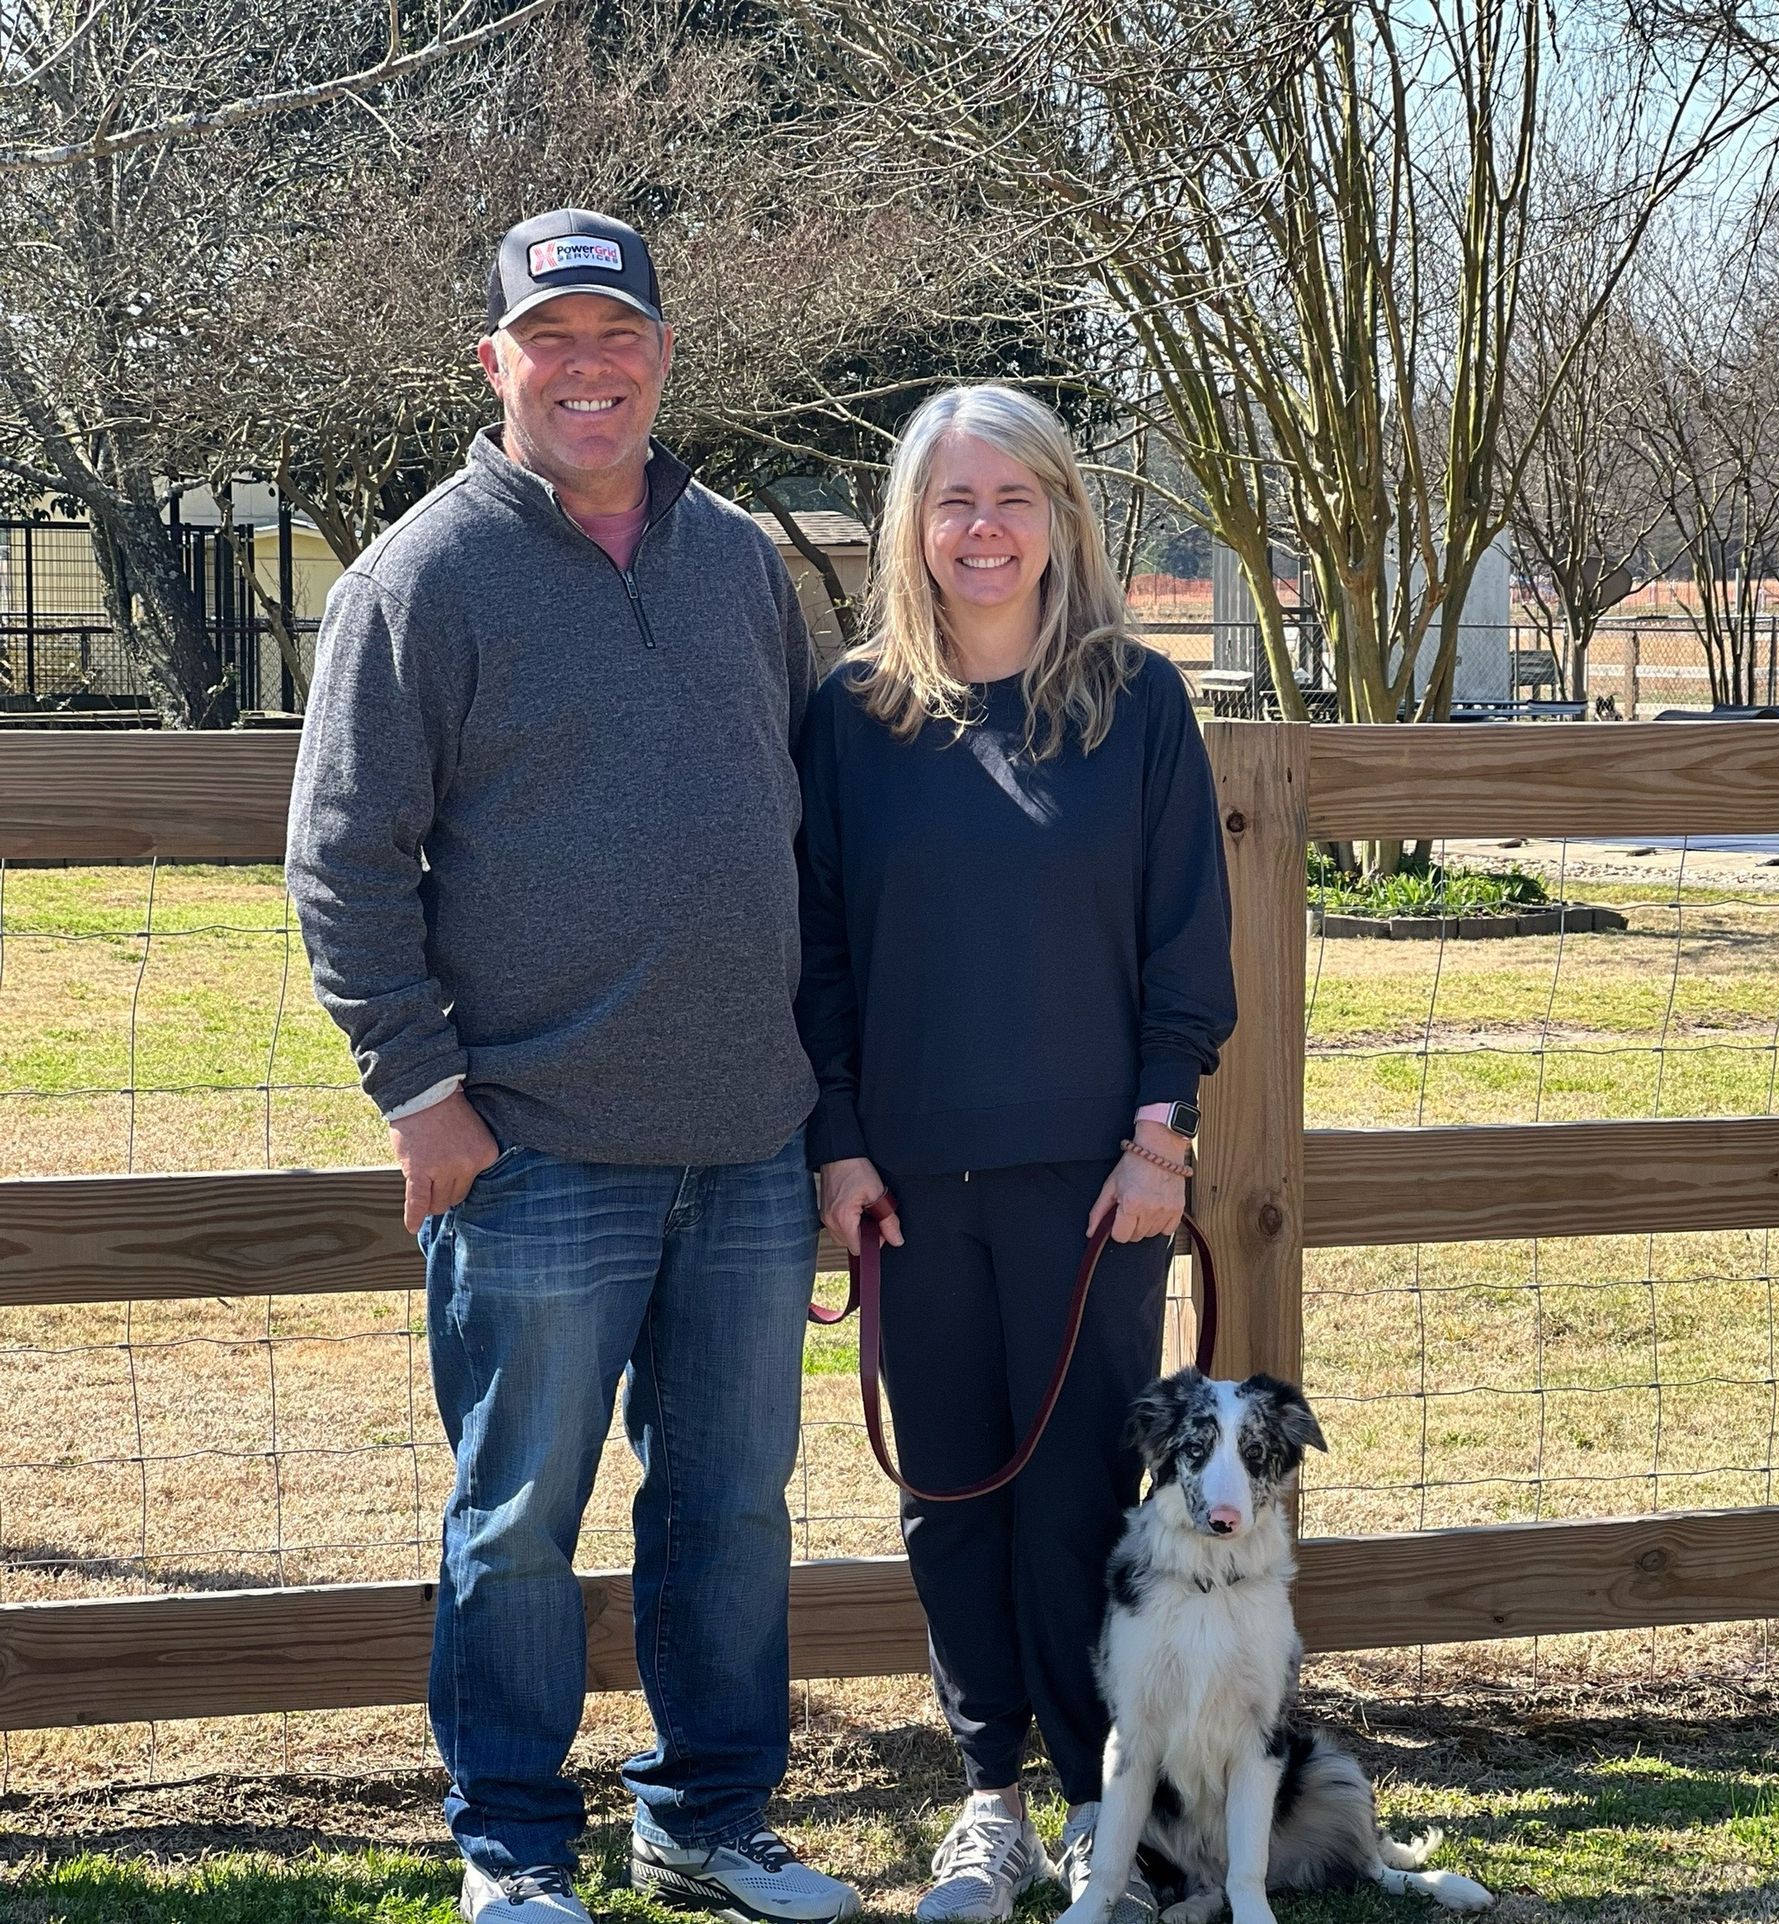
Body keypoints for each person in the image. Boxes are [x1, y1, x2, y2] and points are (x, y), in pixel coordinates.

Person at [286, 207, 861, 1924]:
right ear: (496, 364)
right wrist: (417, 1089)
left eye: (619, 336)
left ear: (665, 356)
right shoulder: (422, 577)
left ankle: (707, 1817)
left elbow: (800, 838)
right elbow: (342, 859)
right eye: (554, 340)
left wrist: (826, 1112)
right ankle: (517, 1848)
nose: (589, 369)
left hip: (750, 1144)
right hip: (533, 1147)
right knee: (519, 1524)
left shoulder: (741, 562)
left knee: (732, 1513)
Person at [795, 385, 1236, 1924]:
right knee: (951, 1499)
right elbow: (819, 959)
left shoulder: (1136, 705)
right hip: (908, 1192)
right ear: (912, 524)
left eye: (1015, 499)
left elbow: (1185, 946)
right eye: (953, 500)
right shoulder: (852, 717)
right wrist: (840, 1154)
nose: (983, 530)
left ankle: (1112, 1812)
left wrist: (1161, 1141)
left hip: (1089, 1189)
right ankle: (988, 1802)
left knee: (1084, 1503)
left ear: (1063, 519)